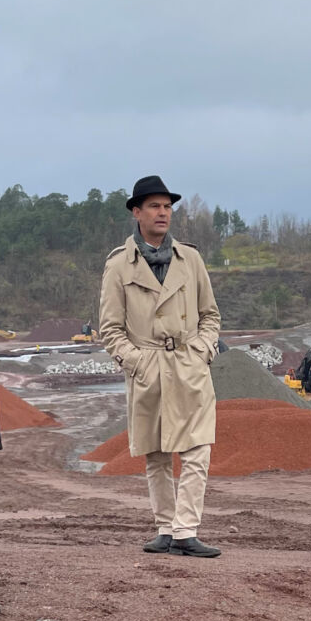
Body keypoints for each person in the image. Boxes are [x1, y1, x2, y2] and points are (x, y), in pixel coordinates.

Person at [99, 176, 223, 557]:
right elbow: (110, 328)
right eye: (154, 206)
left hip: (188, 366)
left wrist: (202, 351)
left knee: (197, 449)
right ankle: (166, 528)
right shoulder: (119, 266)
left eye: (167, 206)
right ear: (136, 213)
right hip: (148, 367)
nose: (163, 212)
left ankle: (187, 529)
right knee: (155, 453)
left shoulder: (191, 259)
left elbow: (210, 315)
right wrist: (136, 362)